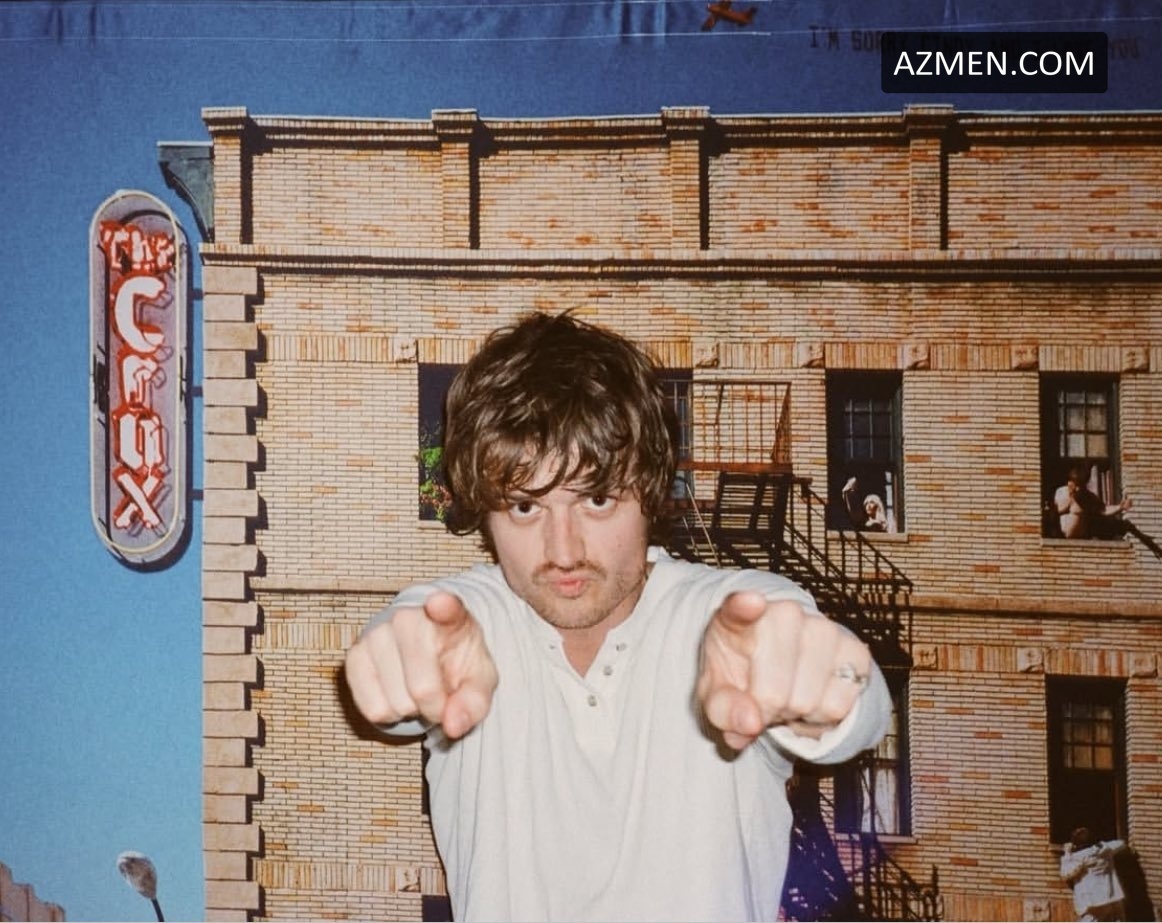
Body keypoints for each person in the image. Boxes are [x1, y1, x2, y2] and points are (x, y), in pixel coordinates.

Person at [345, 312, 891, 922]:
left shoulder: (728, 612)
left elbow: (852, 695)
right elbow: (408, 637)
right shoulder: (471, 618)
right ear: (486, 513)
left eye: (598, 499)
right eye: (525, 507)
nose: (563, 551)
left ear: (650, 492)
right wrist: (398, 664)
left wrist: (826, 687)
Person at [1061, 826, 1129, 922]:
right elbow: (1122, 843)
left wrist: (1067, 853)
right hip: (1113, 896)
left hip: (1095, 900)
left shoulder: (1079, 857)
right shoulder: (1106, 849)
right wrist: (1102, 844)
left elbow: (1065, 874)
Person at [1054, 464, 1133, 539]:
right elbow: (1051, 512)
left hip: (1079, 542)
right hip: (1058, 541)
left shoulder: (1088, 497)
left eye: (1080, 486)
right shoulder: (1060, 493)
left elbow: (1104, 510)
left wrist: (1120, 507)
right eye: (1075, 485)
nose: (1077, 489)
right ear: (1069, 482)